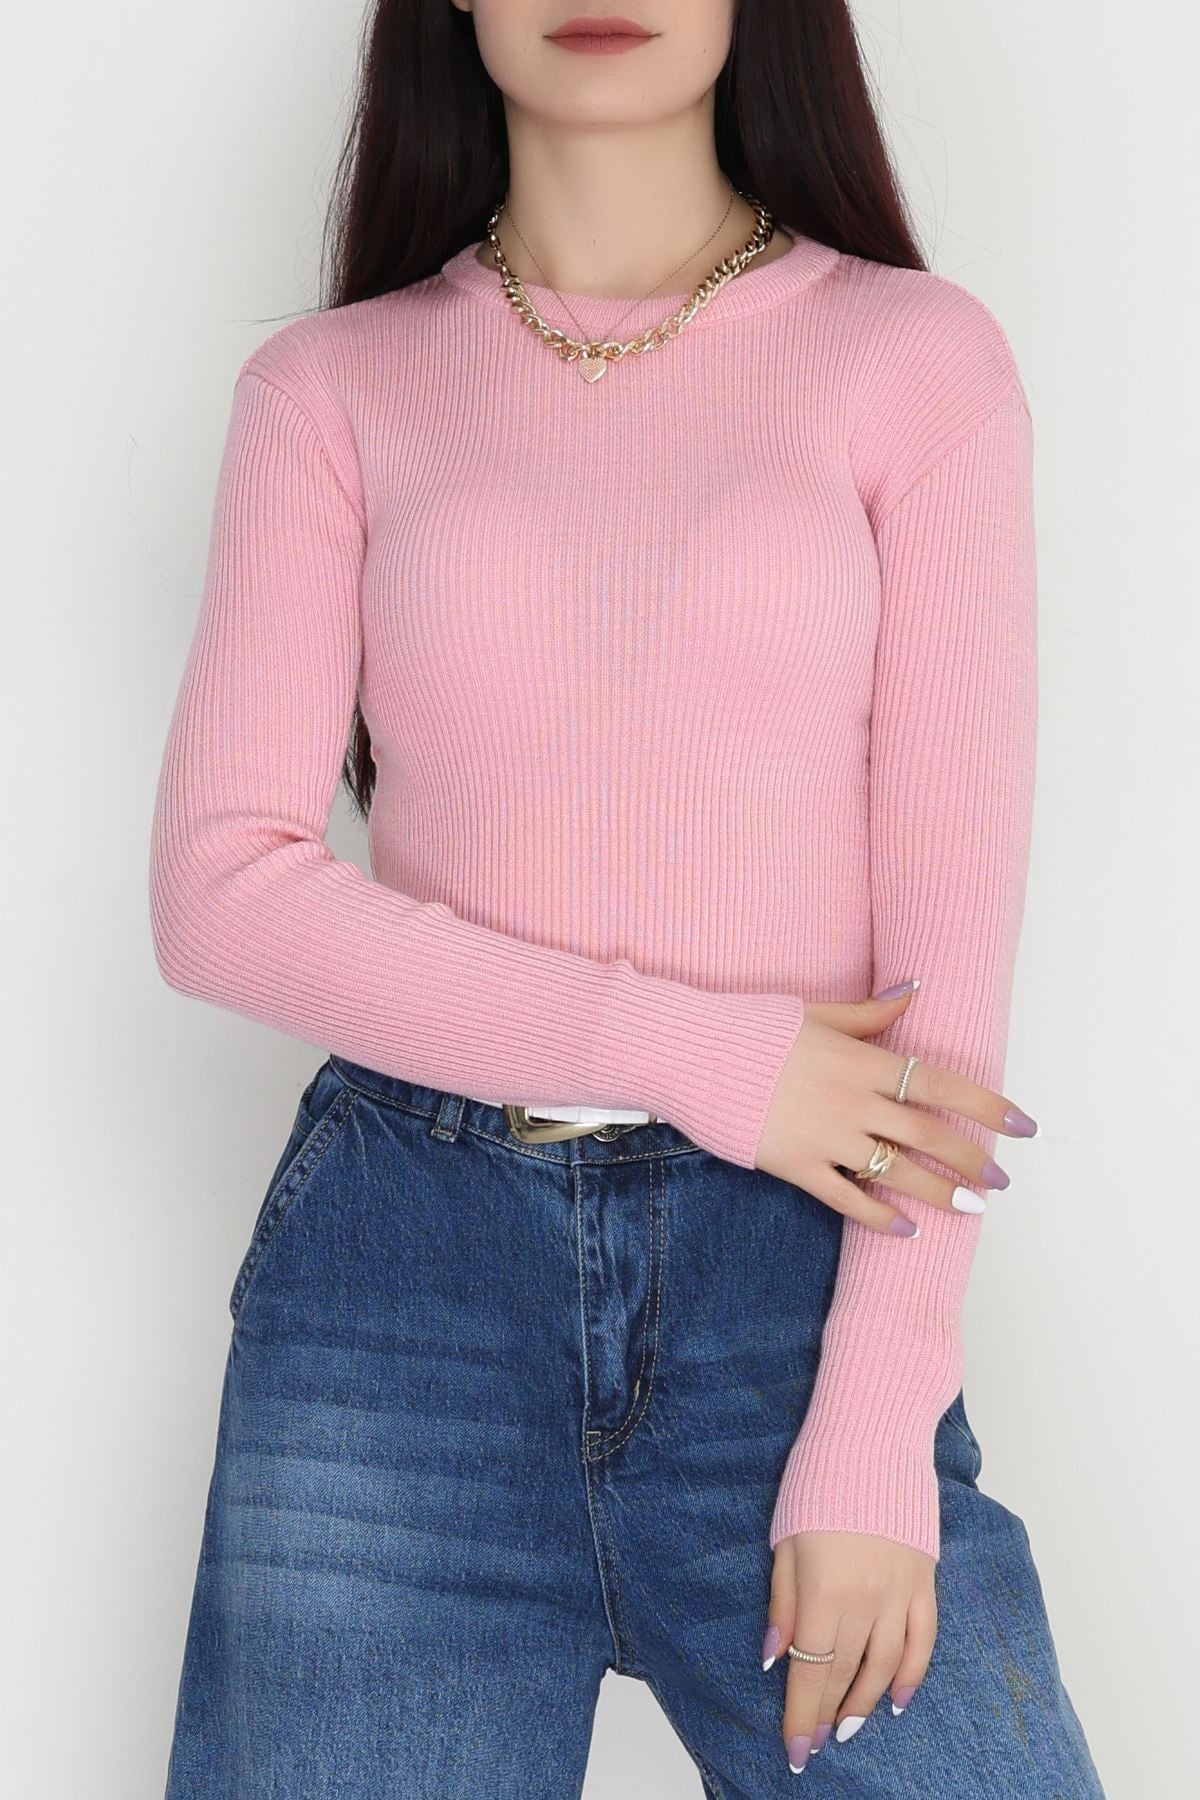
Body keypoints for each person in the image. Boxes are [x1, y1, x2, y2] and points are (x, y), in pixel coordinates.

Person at [148, 2, 1105, 1793]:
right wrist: (715, 1057)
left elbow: (947, 978)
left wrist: (874, 1422)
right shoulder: (331, 388)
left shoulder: (911, 357)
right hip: (401, 1290)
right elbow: (220, 891)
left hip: (795, 1277)